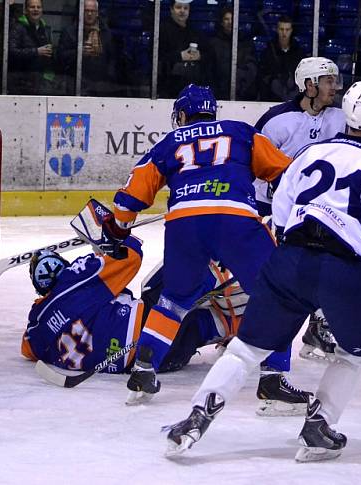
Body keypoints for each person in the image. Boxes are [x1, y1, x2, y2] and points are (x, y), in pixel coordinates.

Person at [163, 81, 361, 461]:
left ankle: (195, 417)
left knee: (245, 349)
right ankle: (319, 425)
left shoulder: (310, 153)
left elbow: (282, 217)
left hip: (289, 263)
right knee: (356, 352)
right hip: (344, 272)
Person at [109, 84, 313, 412]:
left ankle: (144, 370)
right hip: (236, 218)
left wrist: (118, 228)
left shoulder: (167, 143)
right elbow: (287, 172)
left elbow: (128, 200)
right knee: (278, 294)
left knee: (173, 302)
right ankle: (273, 380)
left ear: (182, 115)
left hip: (183, 223)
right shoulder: (241, 132)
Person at [21, 220, 245, 376]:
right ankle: (250, 269)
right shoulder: (75, 277)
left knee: (207, 324)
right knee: (184, 262)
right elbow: (131, 256)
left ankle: (239, 326)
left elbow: (26, 350)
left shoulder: (36, 326)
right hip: (153, 331)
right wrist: (115, 233)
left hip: (158, 361)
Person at [253, 57, 346, 363]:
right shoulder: (276, 120)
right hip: (271, 208)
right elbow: (252, 164)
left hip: (315, 211)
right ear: (309, 85)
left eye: (335, 80)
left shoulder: (340, 118)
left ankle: (318, 326)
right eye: (328, 81)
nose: (334, 86)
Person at [57, 0, 124, 97]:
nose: (89, 14)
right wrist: (80, 53)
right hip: (76, 86)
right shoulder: (69, 32)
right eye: (86, 10)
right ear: (81, 11)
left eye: (92, 11)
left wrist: (109, 78)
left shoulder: (106, 33)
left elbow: (113, 58)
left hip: (102, 87)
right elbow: (61, 57)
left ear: (97, 13)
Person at [157, 1, 210, 98]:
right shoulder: (162, 30)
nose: (182, 11)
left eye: (185, 8)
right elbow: (157, 57)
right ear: (171, 9)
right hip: (168, 88)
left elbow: (210, 55)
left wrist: (199, 56)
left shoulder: (194, 32)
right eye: (178, 7)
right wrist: (180, 56)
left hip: (192, 86)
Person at [8, 0, 60, 95]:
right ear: (25, 10)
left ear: (42, 10)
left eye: (38, 7)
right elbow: (11, 52)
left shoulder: (45, 29)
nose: (36, 10)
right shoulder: (18, 28)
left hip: (40, 83)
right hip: (20, 82)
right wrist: (36, 52)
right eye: (32, 7)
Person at [209, 6, 257, 101]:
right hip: (219, 92)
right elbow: (211, 70)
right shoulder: (214, 43)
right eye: (226, 19)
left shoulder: (246, 43)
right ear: (221, 22)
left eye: (232, 19)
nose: (230, 22)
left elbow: (250, 68)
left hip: (241, 93)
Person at [258, 16, 304, 102]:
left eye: (287, 30)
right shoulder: (268, 52)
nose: (284, 33)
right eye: (281, 29)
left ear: (291, 30)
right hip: (271, 98)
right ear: (277, 30)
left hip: (294, 98)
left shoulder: (298, 53)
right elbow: (263, 76)